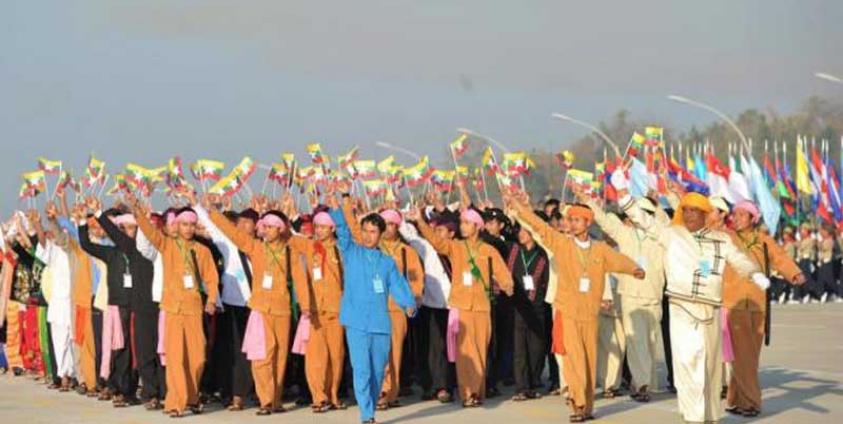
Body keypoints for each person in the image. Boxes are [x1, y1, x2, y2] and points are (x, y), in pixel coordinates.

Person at [613, 170, 772, 424]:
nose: (688, 215)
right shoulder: (671, 235)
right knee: (688, 364)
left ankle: (709, 416)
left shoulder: (721, 240)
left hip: (711, 310)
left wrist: (755, 274)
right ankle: (693, 417)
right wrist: (622, 193)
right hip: (682, 309)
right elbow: (643, 219)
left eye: (694, 211)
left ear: (705, 214)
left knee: (709, 368)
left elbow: (738, 260)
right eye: (685, 210)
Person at [507, 188, 644, 423]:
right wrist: (520, 208)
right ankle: (578, 403)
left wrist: (634, 269)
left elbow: (618, 260)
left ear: (588, 223)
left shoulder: (600, 249)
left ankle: (587, 405)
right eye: (569, 219)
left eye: (577, 220)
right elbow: (541, 228)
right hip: (568, 311)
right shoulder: (563, 244)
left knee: (589, 360)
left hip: (590, 313)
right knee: (574, 359)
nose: (571, 223)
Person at [202, 195, 305, 416]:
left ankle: (275, 399)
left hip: (282, 310)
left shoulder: (290, 251)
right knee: (262, 356)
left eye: (270, 227)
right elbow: (233, 233)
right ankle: (266, 400)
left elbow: (300, 279)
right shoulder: (256, 248)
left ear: (280, 229)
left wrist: (305, 305)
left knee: (279, 357)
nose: (265, 231)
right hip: (260, 309)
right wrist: (214, 213)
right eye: (264, 227)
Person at [409, 204, 514, 407]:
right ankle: (468, 393)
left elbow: (502, 272)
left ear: (477, 226)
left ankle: (477, 390)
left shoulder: (488, 250)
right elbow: (436, 241)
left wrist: (507, 284)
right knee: (465, 352)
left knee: (480, 351)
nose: (463, 226)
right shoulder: (456, 247)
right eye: (462, 222)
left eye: (467, 223)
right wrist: (420, 221)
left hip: (482, 307)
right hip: (461, 306)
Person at [328, 191, 417, 424]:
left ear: (380, 234)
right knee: (362, 370)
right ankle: (366, 415)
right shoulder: (351, 252)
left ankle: (371, 405)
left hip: (379, 324)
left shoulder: (387, 262)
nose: (368, 236)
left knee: (377, 371)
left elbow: (398, 284)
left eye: (373, 232)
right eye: (365, 231)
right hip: (355, 322)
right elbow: (343, 231)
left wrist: (408, 304)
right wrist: (337, 208)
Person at [129, 195, 219, 418]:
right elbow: (150, 233)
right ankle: (176, 403)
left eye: (191, 225)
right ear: (177, 226)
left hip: (194, 309)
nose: (188, 229)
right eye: (184, 224)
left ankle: (192, 397)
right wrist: (138, 213)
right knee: (175, 359)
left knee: (197, 358)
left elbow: (211, 278)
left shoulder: (202, 251)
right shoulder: (167, 245)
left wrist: (211, 300)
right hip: (172, 309)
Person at [578, 191, 666, 402]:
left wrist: (658, 204)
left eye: (646, 213)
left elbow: (670, 223)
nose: (640, 217)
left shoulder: (661, 236)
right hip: (630, 295)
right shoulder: (625, 234)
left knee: (650, 341)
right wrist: (588, 201)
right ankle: (641, 384)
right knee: (635, 341)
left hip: (653, 295)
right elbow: (605, 221)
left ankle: (644, 380)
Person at [723, 201, 805, 417]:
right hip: (734, 304)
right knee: (744, 356)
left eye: (742, 214)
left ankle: (734, 399)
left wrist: (794, 273)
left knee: (749, 356)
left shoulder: (764, 241)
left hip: (758, 305)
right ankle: (751, 402)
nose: (736, 218)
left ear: (753, 218)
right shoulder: (727, 238)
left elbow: (780, 258)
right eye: (735, 214)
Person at [194, 205, 256, 411]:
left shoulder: (260, 247)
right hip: (231, 306)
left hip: (254, 306)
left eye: (248, 222)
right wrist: (196, 204)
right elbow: (213, 227)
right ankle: (231, 393)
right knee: (229, 352)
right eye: (240, 222)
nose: (243, 226)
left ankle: (244, 393)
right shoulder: (229, 245)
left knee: (249, 352)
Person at [398, 216, 456, 403]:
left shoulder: (458, 249)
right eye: (435, 231)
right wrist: (403, 218)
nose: (435, 234)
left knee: (453, 348)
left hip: (455, 306)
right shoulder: (428, 248)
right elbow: (410, 236)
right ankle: (436, 387)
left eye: (440, 231)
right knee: (434, 348)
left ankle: (453, 384)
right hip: (432, 305)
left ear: (451, 234)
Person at [504, 225, 549, 401]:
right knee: (520, 348)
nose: (521, 234)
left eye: (525, 231)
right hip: (518, 305)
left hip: (537, 305)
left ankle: (533, 382)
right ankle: (521, 387)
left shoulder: (542, 254)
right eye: (520, 231)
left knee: (536, 348)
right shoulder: (514, 250)